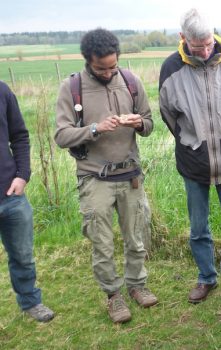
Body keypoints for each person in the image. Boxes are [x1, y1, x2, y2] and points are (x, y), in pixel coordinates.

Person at [54, 28, 157, 323]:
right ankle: (114, 296)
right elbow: (62, 135)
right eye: (102, 68)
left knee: (136, 236)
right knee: (102, 242)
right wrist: (95, 129)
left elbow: (149, 123)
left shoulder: (130, 81)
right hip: (94, 177)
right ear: (88, 61)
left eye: (113, 66)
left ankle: (138, 285)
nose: (109, 72)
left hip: (130, 174)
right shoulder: (71, 87)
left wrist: (139, 123)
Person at [158, 8, 221, 303]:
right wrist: (192, 141)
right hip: (193, 160)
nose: (206, 50)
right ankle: (206, 278)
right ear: (182, 38)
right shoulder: (171, 69)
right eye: (199, 47)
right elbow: (169, 116)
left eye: (209, 43)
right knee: (199, 227)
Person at [0, 81, 55, 322]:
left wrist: (22, 175)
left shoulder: (2, 91)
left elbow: (20, 136)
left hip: (11, 194)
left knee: (22, 255)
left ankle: (31, 302)